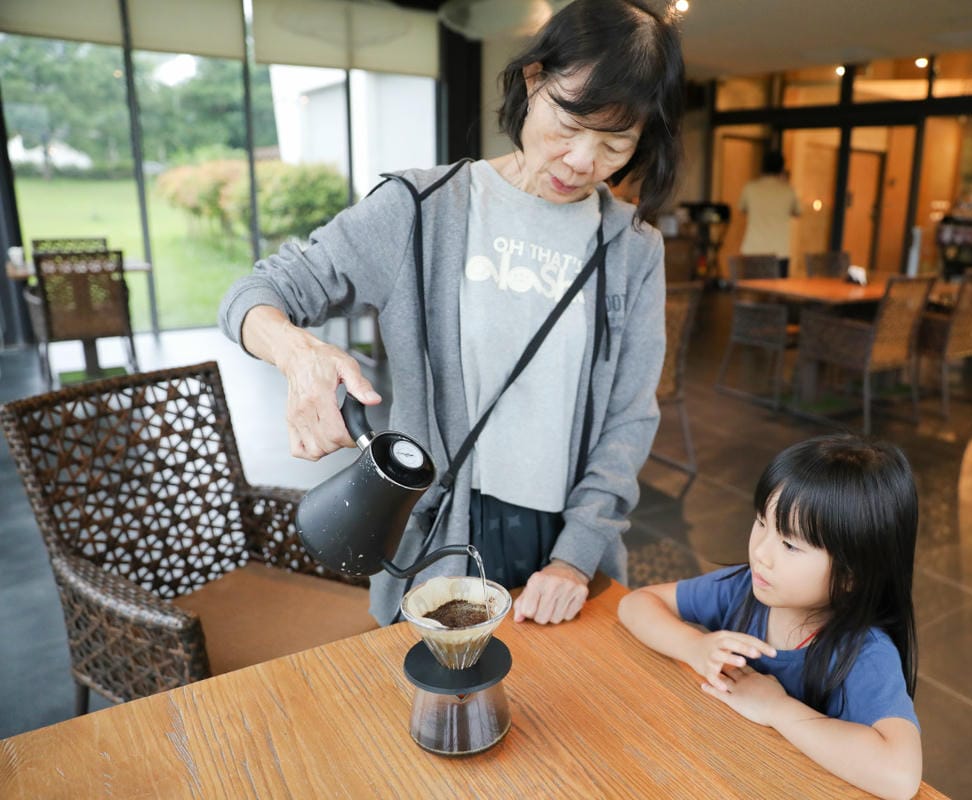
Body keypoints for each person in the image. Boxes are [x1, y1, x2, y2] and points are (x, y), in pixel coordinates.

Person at [218, 0, 684, 628]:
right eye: (570, 126)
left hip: (564, 545)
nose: (582, 161)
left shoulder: (633, 249)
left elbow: (629, 418)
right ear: (532, 81)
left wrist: (576, 557)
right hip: (440, 532)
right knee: (437, 715)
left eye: (614, 143)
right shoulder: (421, 208)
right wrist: (299, 354)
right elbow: (256, 294)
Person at [618, 434, 922, 800]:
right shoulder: (744, 588)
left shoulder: (864, 652)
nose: (761, 552)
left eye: (790, 545)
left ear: (853, 574)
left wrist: (776, 708)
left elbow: (900, 776)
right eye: (762, 522)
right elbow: (636, 604)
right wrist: (695, 647)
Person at [738, 148, 800, 278]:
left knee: (751, 291)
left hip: (753, 250)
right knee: (777, 294)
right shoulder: (788, 190)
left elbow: (742, 209)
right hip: (779, 252)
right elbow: (798, 212)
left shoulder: (750, 188)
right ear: (781, 168)